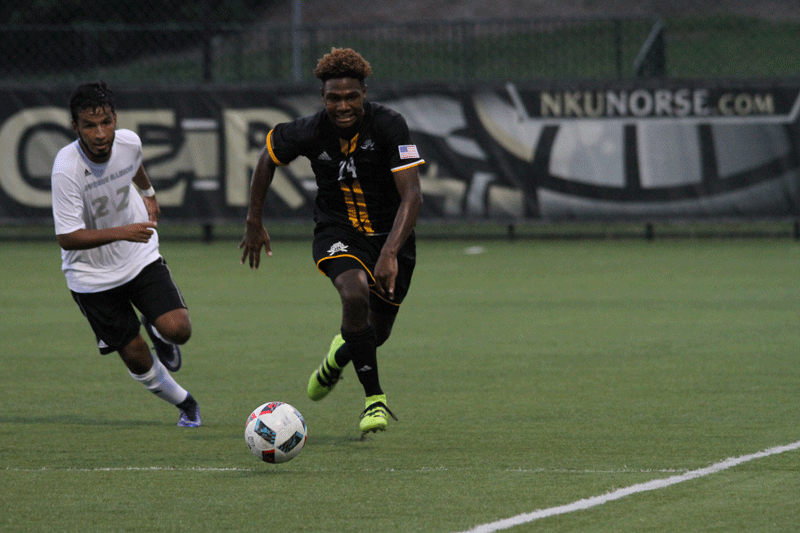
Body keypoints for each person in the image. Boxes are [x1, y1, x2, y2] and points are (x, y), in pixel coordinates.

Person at [240, 48, 424, 434]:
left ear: (364, 93)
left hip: (391, 238)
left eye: (351, 97)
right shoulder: (309, 130)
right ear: (322, 98)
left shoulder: (390, 125)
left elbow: (412, 196)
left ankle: (338, 355)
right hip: (337, 231)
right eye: (333, 98)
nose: (342, 106)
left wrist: (390, 251)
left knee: (378, 331)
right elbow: (266, 158)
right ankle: (374, 400)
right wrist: (254, 221)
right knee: (354, 294)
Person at [51, 81, 201, 427]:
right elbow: (67, 238)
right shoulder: (66, 169)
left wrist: (148, 193)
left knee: (179, 329)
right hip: (91, 276)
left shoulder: (130, 141)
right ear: (75, 128)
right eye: (89, 125)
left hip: (138, 256)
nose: (100, 133)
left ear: (115, 118)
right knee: (135, 355)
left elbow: (134, 164)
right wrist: (123, 232)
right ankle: (186, 403)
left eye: (105, 122)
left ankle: (156, 326)